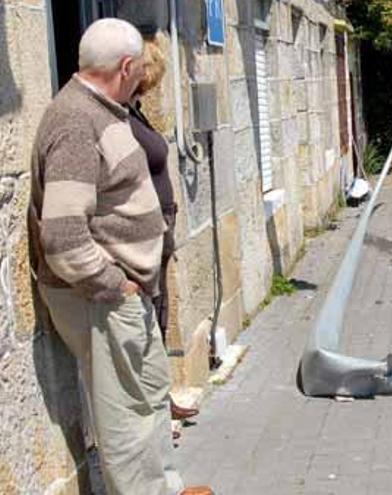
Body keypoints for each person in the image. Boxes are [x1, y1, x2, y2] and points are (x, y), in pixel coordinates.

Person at [28, 18, 211, 495]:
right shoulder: (74, 120)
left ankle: (164, 489)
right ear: (126, 66)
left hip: (125, 296)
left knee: (149, 399)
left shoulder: (103, 109)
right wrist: (116, 286)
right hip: (104, 298)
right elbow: (64, 236)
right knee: (126, 419)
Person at [129, 34, 200, 427]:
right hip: (142, 238)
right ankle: (155, 411)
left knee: (159, 317)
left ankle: (161, 401)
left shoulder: (135, 112)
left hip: (158, 232)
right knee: (148, 322)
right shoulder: (118, 116)